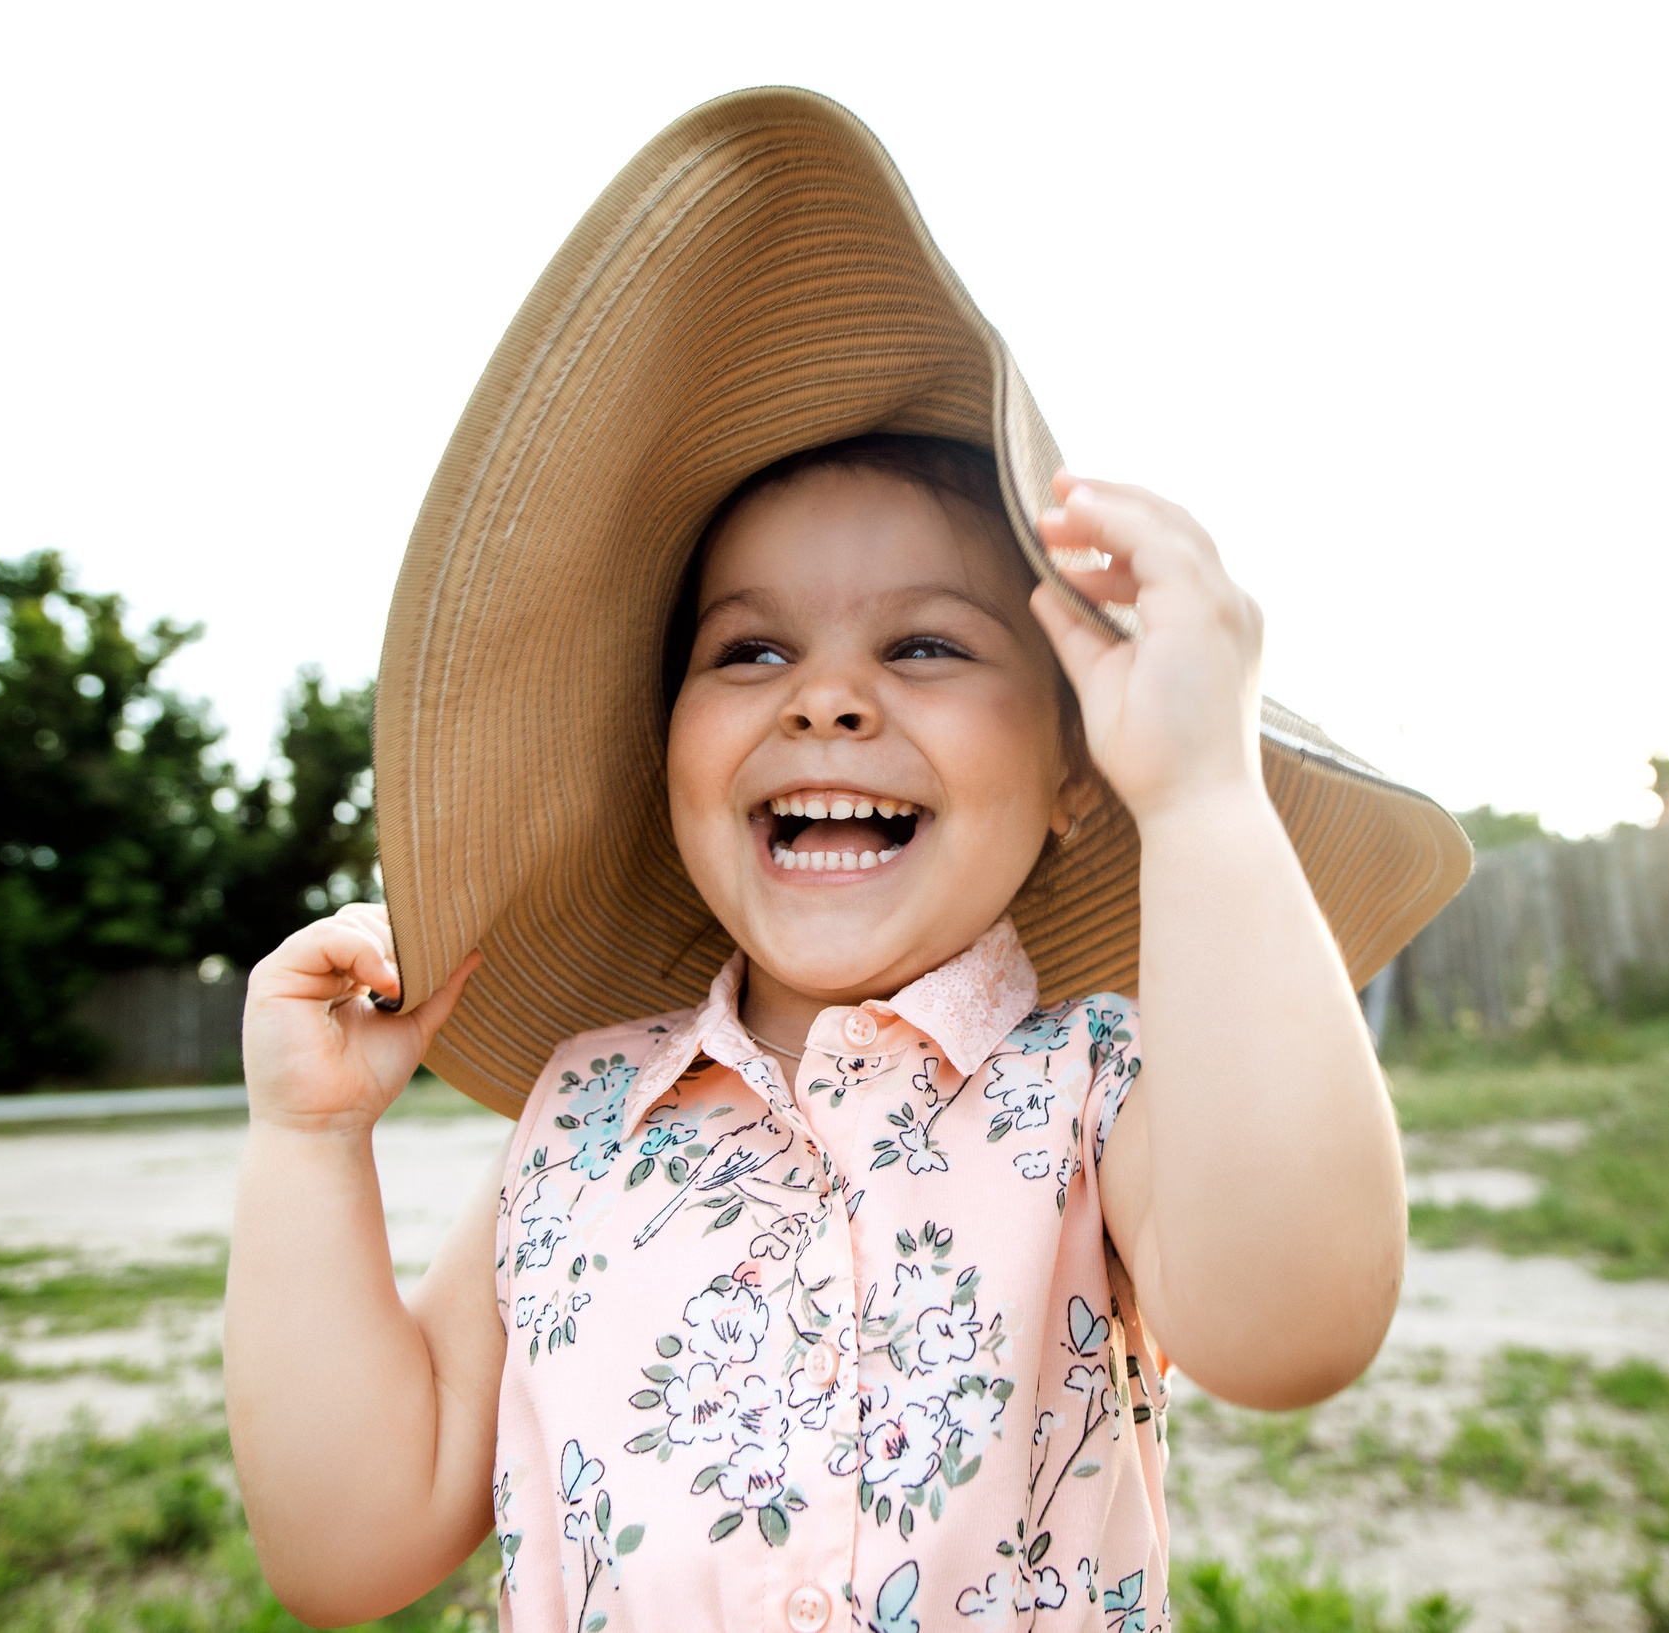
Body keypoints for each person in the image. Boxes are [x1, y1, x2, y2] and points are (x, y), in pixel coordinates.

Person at [224, 90, 1470, 1632]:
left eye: (927, 642)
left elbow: (1298, 1323)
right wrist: (306, 1144)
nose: (827, 694)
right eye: (749, 648)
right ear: (666, 748)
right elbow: (344, 1549)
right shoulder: (582, 1117)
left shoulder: (1091, 1090)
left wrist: (1205, 792)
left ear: (1076, 772)